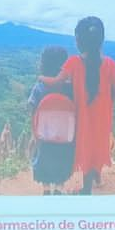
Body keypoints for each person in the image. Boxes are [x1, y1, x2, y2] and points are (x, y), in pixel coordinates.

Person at [40, 16, 115, 194]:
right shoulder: (111, 65)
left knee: (86, 146)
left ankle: (86, 190)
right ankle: (96, 176)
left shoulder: (73, 63)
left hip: (83, 116)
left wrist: (40, 78)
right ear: (101, 40)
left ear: (78, 40)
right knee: (99, 143)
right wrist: (107, 105)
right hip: (103, 114)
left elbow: (56, 82)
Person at [29, 45, 75, 195]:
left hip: (44, 135)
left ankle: (46, 189)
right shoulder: (70, 89)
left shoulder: (39, 88)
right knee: (63, 161)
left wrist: (34, 134)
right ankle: (59, 188)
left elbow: (32, 109)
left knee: (43, 160)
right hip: (66, 137)